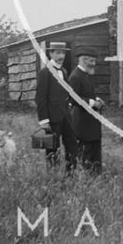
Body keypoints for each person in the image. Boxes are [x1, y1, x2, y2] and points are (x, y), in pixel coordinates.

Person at [35, 41, 77, 172]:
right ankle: (53, 175)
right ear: (50, 53)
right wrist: (44, 120)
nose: (61, 56)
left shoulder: (64, 71)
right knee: (52, 147)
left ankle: (71, 174)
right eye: (58, 52)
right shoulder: (44, 73)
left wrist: (69, 103)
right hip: (52, 118)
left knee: (71, 144)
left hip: (66, 116)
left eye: (63, 53)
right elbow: (40, 98)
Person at [69, 47, 105, 174]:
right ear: (83, 60)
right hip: (82, 119)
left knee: (94, 145)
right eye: (91, 61)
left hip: (91, 118)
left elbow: (87, 93)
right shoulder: (75, 76)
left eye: (94, 61)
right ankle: (85, 174)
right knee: (86, 148)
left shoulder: (86, 74)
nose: (93, 64)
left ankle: (95, 172)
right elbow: (74, 99)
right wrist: (93, 103)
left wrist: (98, 99)